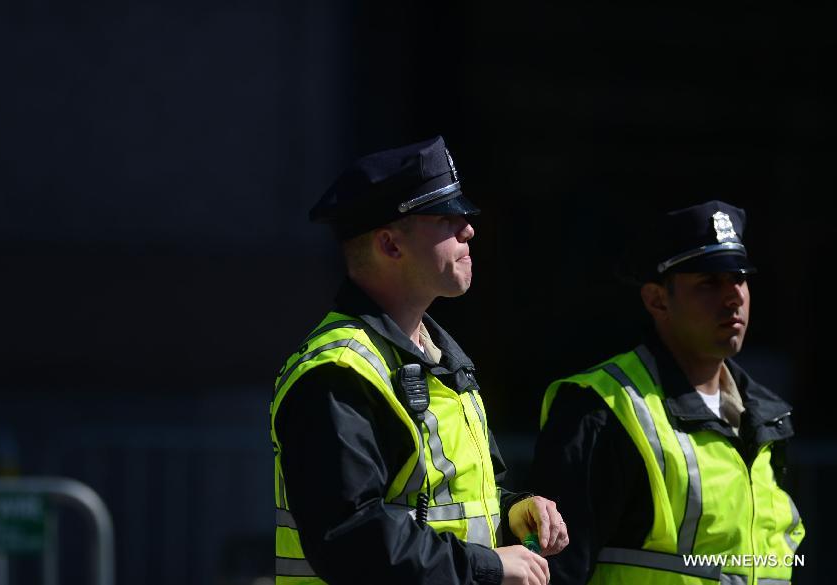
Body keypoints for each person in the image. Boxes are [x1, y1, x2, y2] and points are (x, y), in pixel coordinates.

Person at [270, 136, 568, 585]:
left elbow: (441, 507)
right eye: (446, 218)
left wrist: (512, 511)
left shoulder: (440, 357)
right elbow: (349, 537)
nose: (468, 229)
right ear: (390, 245)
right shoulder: (338, 373)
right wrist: (487, 566)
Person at [529, 201, 805, 584]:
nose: (734, 297)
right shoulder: (600, 408)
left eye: (739, 278)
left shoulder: (767, 417)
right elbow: (553, 571)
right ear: (657, 300)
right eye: (709, 282)